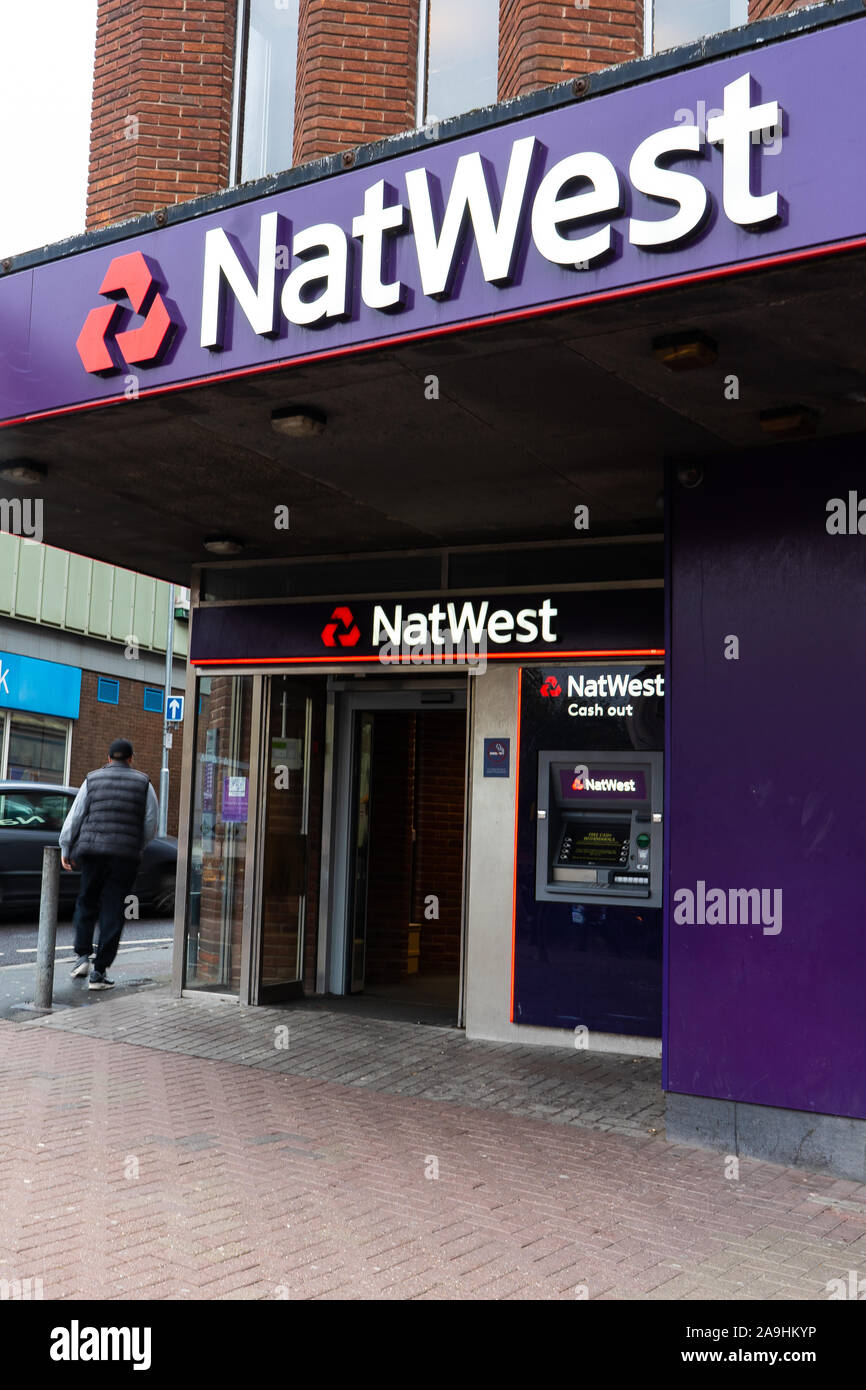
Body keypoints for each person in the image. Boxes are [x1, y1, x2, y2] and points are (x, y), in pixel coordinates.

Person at [59, 738, 159, 990]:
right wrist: (137, 845)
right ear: (131, 758)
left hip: (92, 852)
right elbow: (150, 824)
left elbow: (76, 815)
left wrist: (66, 846)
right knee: (114, 909)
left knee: (86, 900)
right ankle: (99, 972)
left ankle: (82, 957)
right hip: (124, 856)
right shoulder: (144, 783)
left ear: (108, 757)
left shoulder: (92, 779)